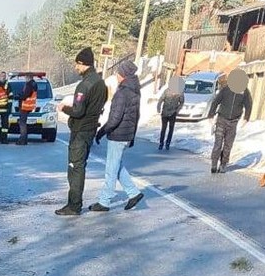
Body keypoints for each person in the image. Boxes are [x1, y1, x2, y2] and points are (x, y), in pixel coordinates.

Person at [55, 47, 108, 216]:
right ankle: (74, 203)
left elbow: (78, 111)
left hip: (80, 131)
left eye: (77, 64)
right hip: (90, 129)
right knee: (80, 165)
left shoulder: (84, 85)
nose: (76, 67)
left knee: (75, 167)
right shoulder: (101, 83)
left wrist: (64, 108)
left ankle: (74, 205)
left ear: (84, 64)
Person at [89, 60, 144, 212]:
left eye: (118, 73)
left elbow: (115, 118)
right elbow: (136, 116)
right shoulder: (134, 91)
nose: (117, 76)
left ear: (123, 75)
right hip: (126, 134)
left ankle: (104, 201)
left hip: (118, 135)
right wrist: (132, 135)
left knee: (111, 170)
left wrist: (102, 131)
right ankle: (134, 193)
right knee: (117, 165)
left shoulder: (122, 93)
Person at [206, 69, 252, 173]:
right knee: (218, 143)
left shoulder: (244, 92)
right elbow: (216, 102)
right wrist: (211, 115)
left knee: (228, 145)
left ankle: (223, 164)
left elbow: (248, 105)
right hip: (221, 119)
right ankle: (214, 163)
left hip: (233, 122)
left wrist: (246, 118)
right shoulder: (226, 89)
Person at [156, 86, 184, 151]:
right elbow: (161, 99)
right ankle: (161, 143)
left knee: (171, 129)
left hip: (173, 113)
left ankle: (168, 143)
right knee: (163, 128)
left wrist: (177, 110)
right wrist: (158, 108)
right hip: (165, 113)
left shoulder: (180, 92)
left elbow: (182, 102)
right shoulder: (167, 91)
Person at [17, 73, 38, 145]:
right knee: (23, 122)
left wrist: (19, 96)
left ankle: (22, 140)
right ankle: (24, 139)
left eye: (26, 77)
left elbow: (25, 95)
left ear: (29, 78)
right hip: (29, 106)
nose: (25, 79)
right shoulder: (34, 84)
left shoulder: (29, 85)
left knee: (22, 123)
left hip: (25, 106)